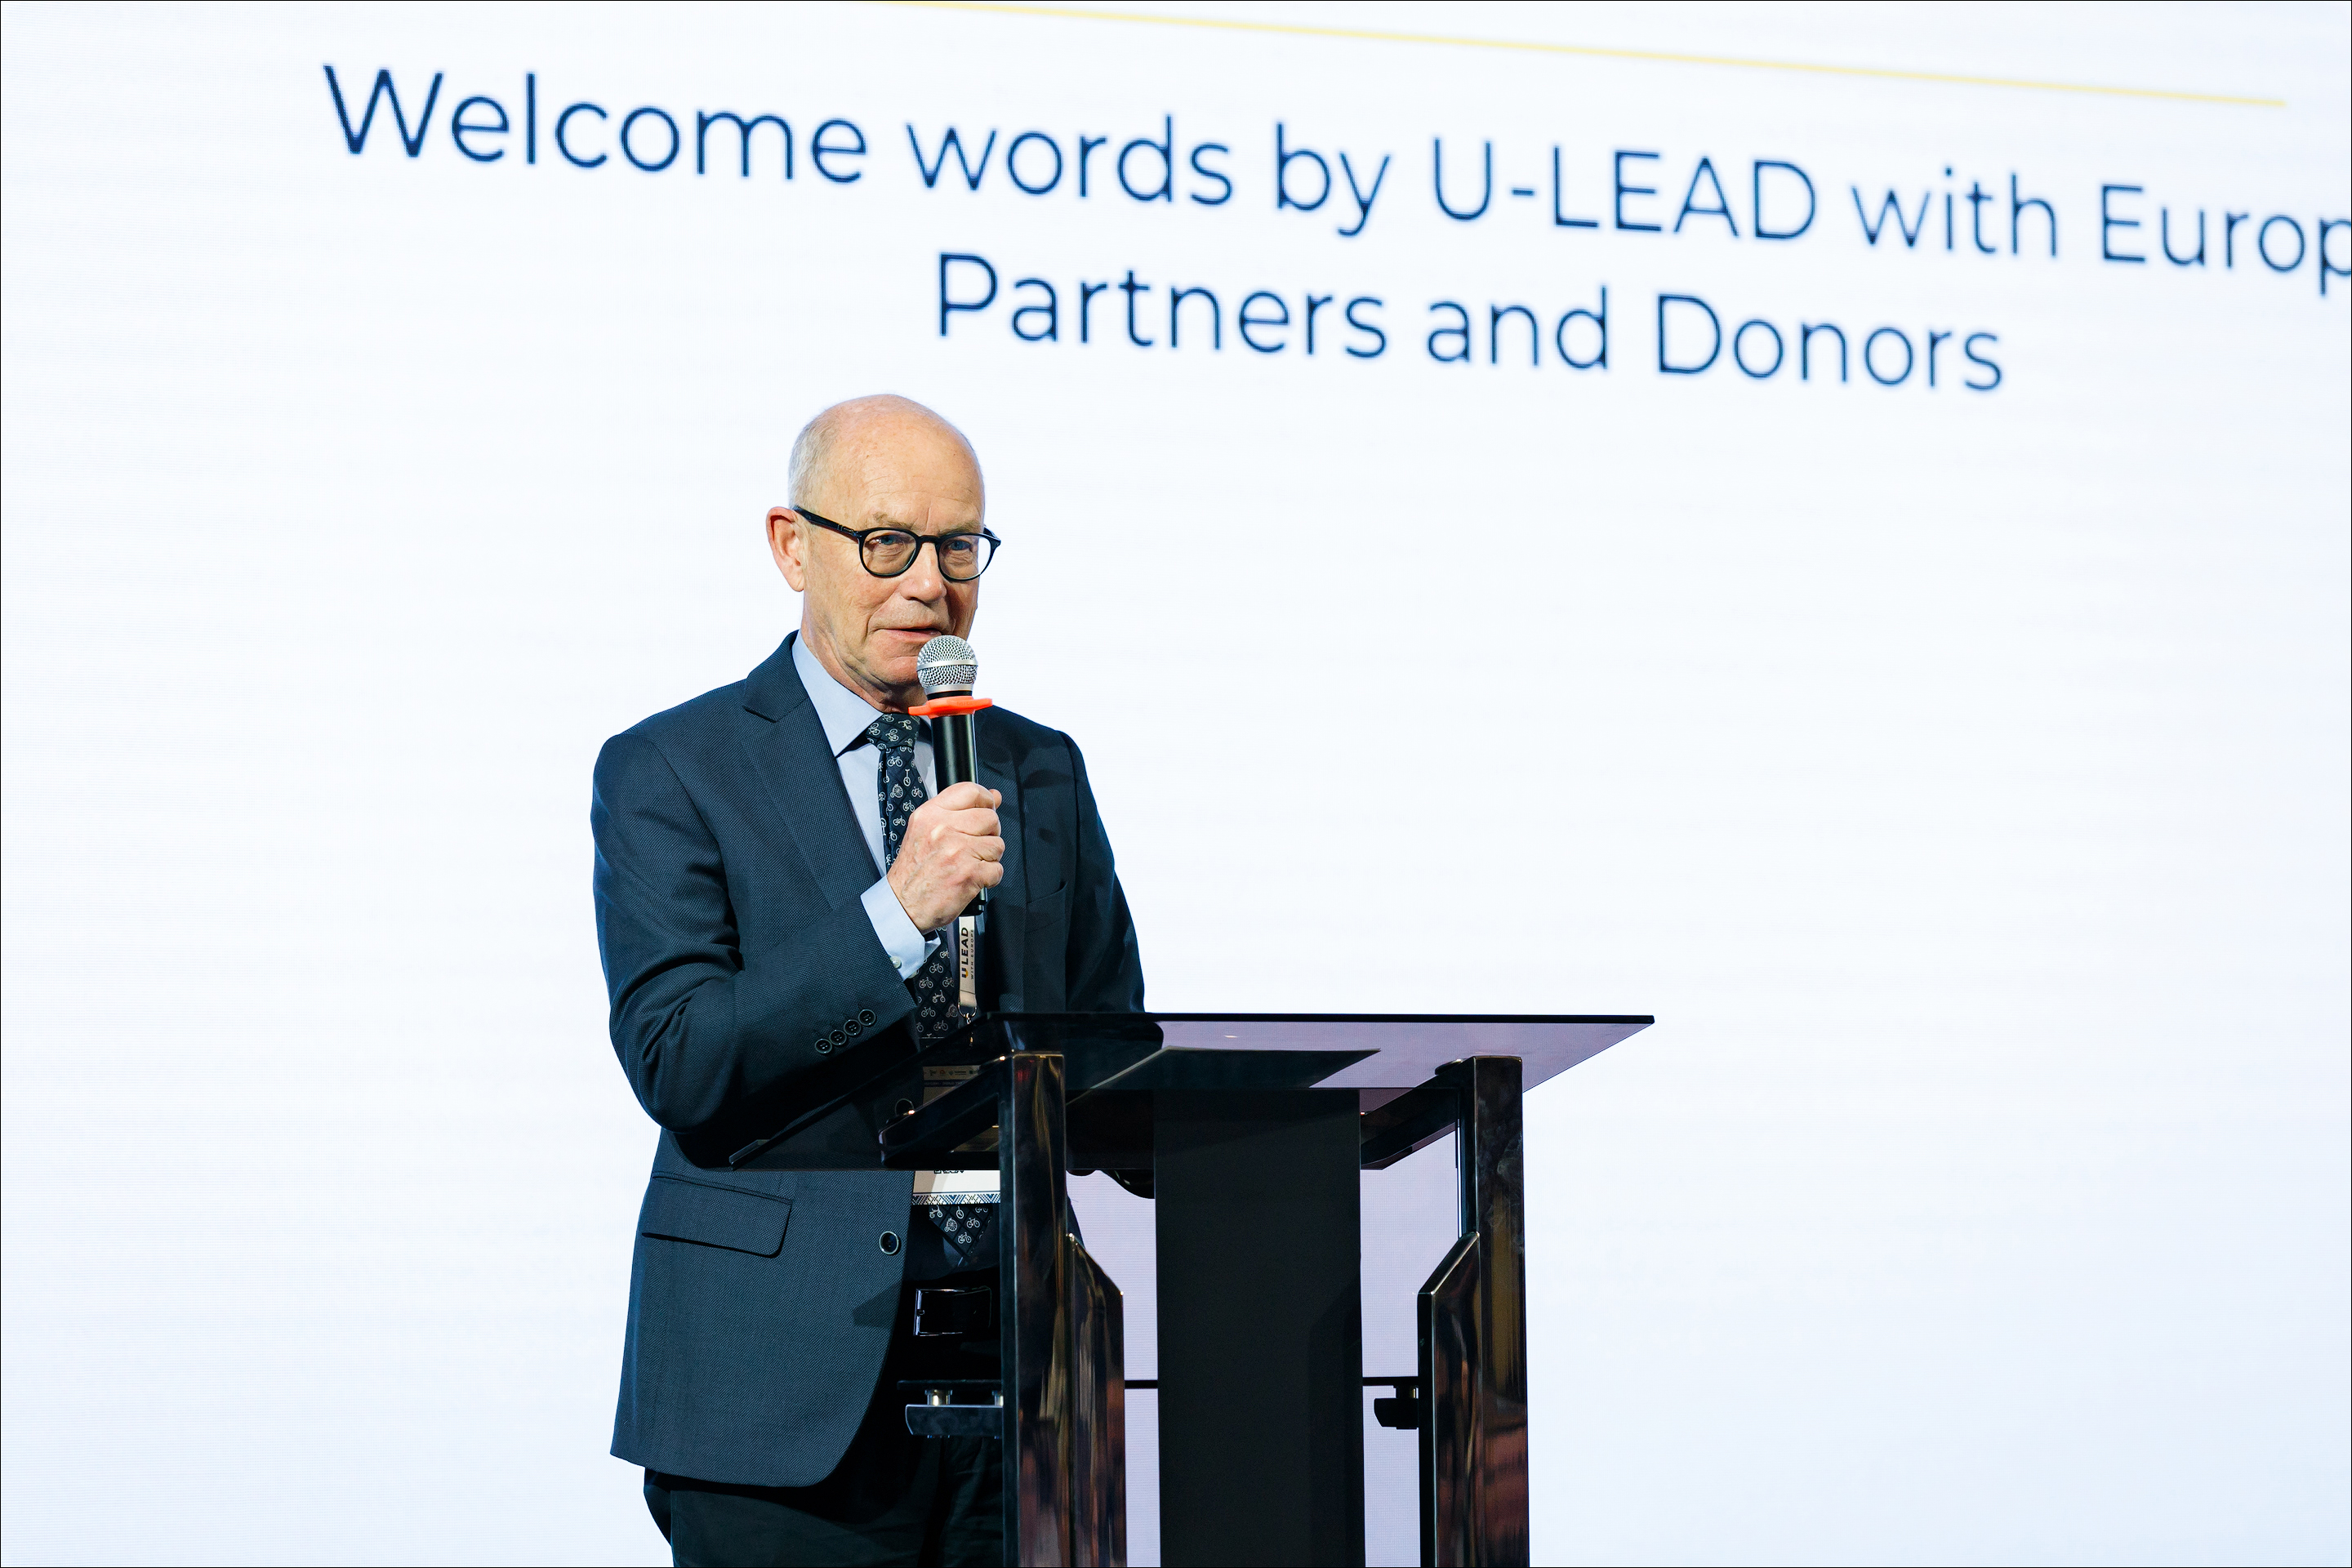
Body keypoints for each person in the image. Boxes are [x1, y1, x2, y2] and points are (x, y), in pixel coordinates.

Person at [589, 394, 1145, 1565]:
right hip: (778, 1390)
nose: (929, 585)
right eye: (888, 543)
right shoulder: (672, 768)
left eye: (959, 547)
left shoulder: (1039, 767)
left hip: (1025, 1383)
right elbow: (681, 1060)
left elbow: (1108, 1052)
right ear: (793, 546)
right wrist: (896, 913)